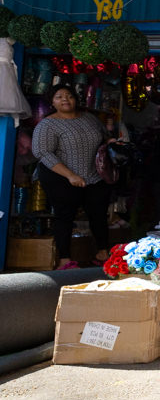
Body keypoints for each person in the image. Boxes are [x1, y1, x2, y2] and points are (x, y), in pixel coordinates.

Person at [31, 84, 111, 270]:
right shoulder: (48, 124)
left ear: (76, 99)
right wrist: (70, 175)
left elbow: (104, 137)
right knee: (64, 217)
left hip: (93, 176)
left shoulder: (89, 118)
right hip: (61, 177)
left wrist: (111, 141)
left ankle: (102, 253)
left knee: (98, 215)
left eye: (69, 96)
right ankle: (65, 260)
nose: (65, 99)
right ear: (52, 102)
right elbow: (43, 153)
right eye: (59, 97)